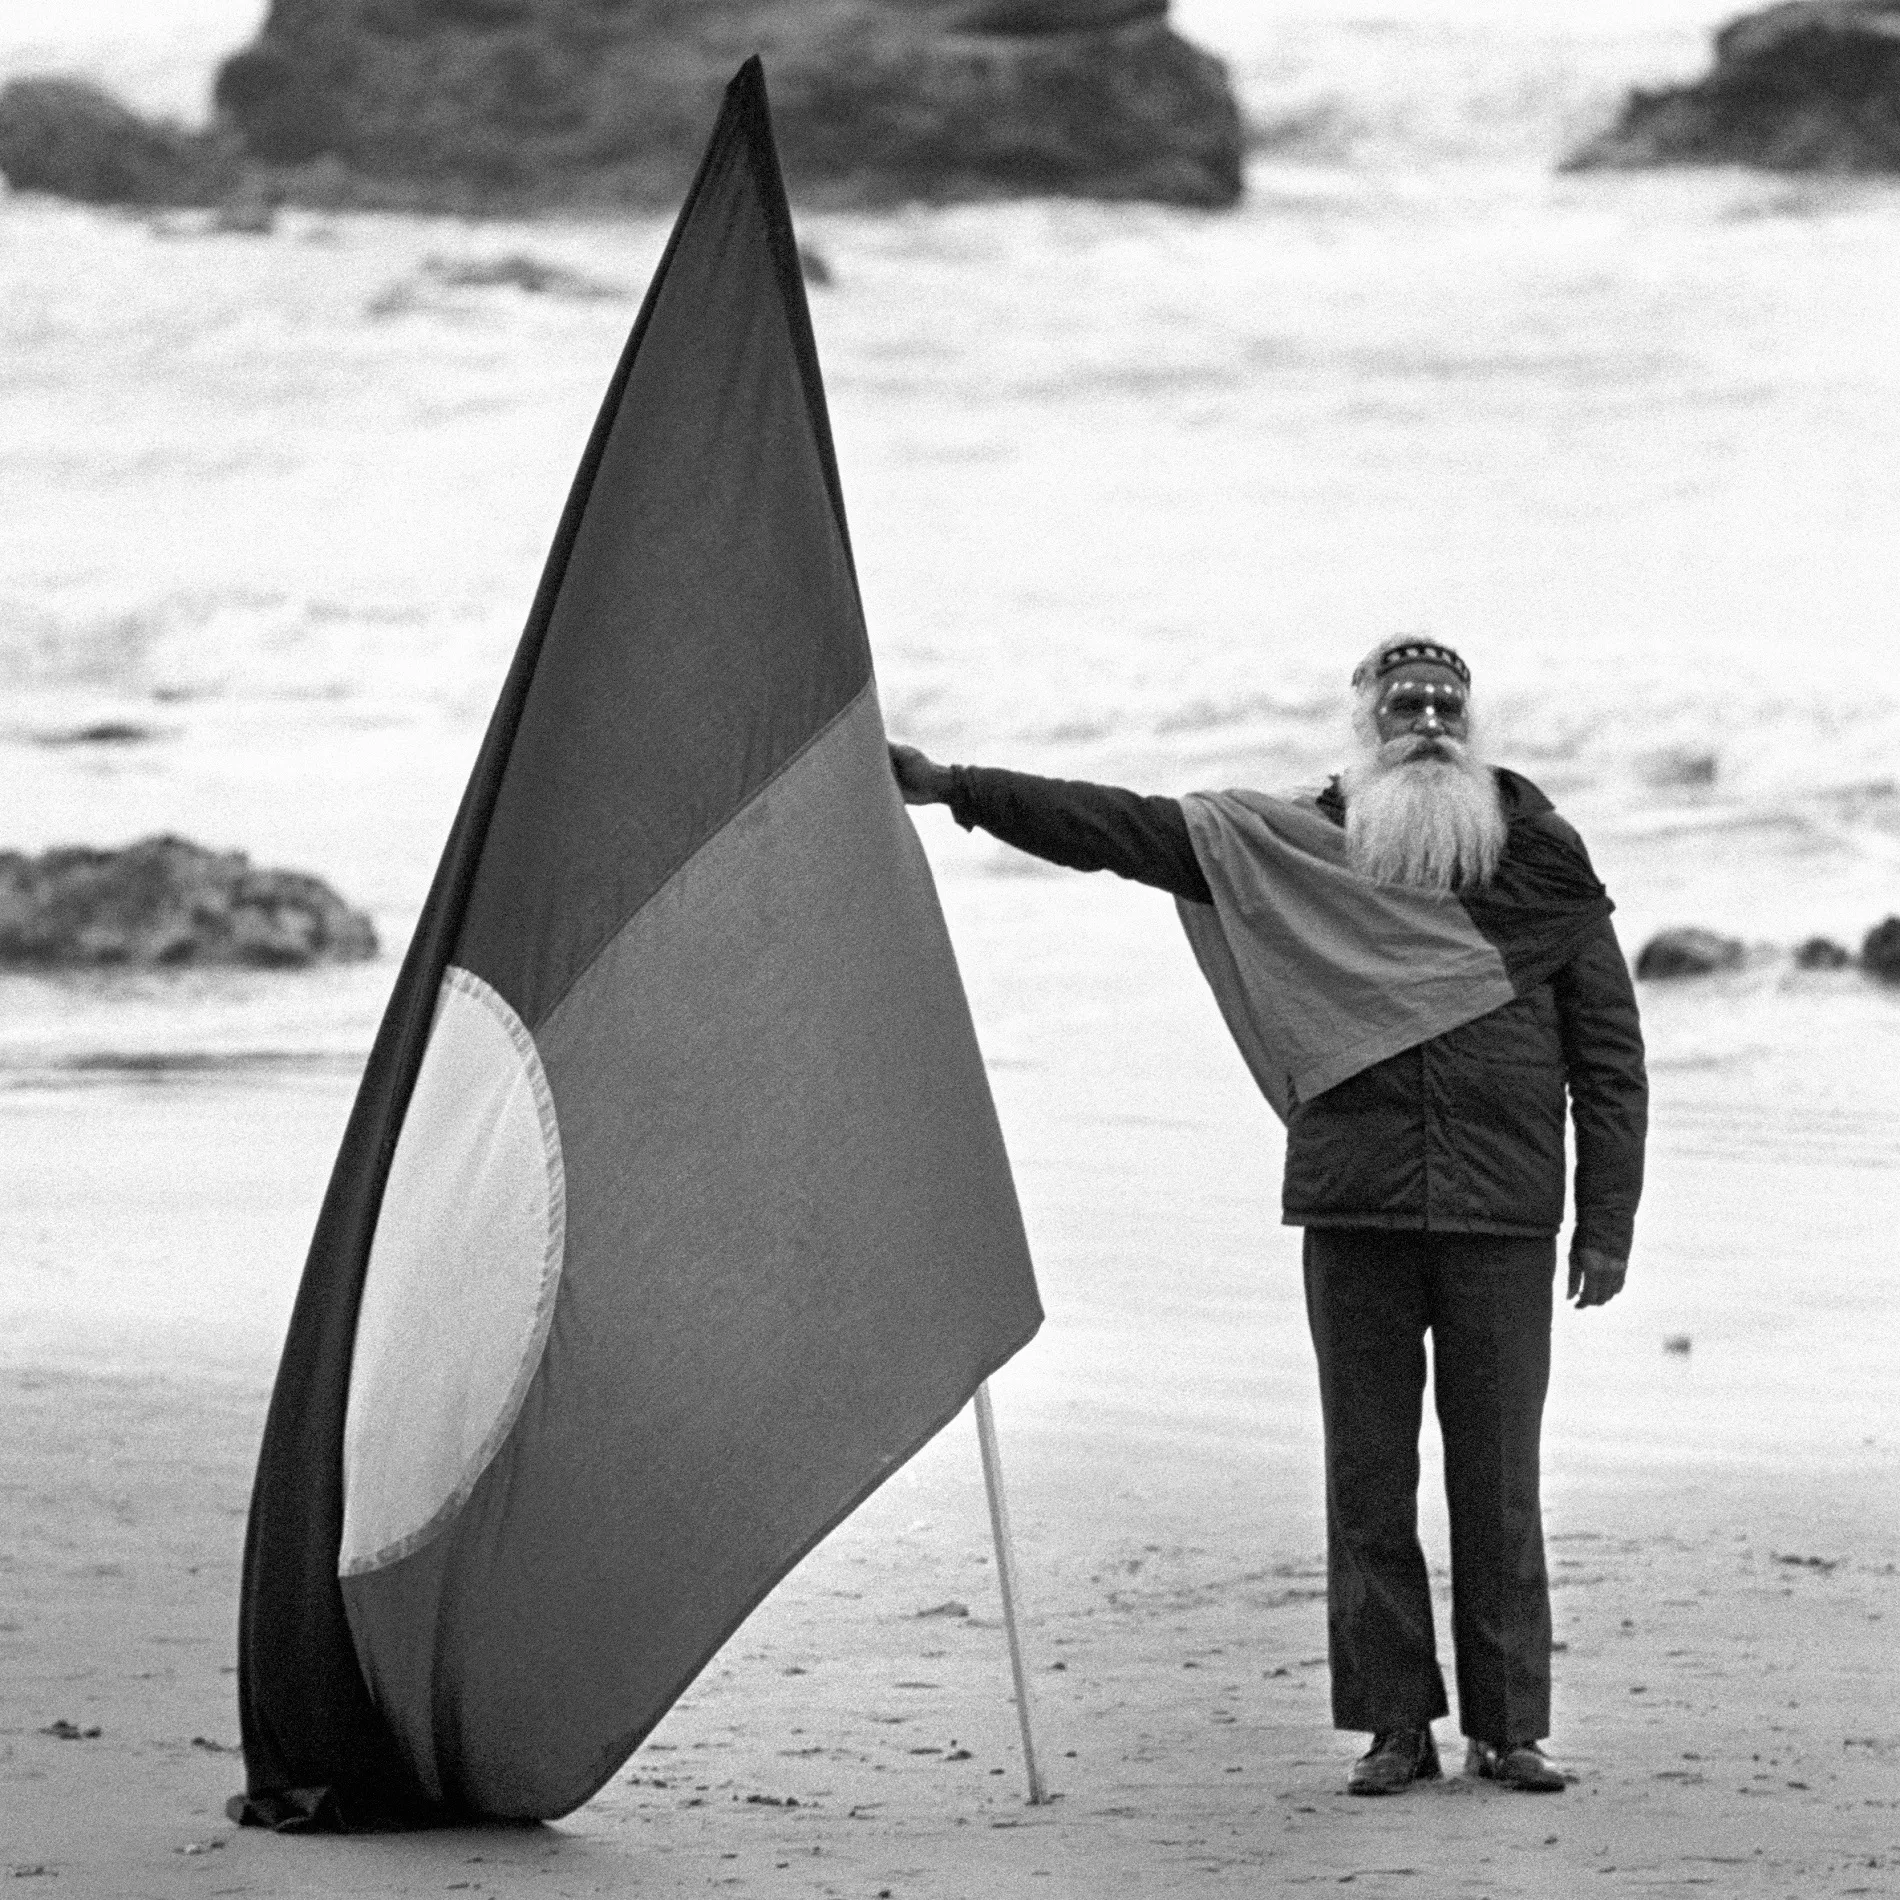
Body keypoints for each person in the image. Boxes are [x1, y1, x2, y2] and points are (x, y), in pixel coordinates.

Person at [889, 633, 1648, 1797]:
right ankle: (1397, 1727)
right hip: (1356, 1203)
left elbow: (1607, 1055)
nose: (1429, 723)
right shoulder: (1294, 845)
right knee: (1367, 1476)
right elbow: (1125, 832)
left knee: (1498, 1480)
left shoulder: (1538, 857)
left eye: (1447, 706)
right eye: (1405, 708)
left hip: (1504, 1213)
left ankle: (1510, 1729)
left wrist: (1606, 1221)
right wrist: (959, 791)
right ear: (1367, 728)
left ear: (1476, 724)